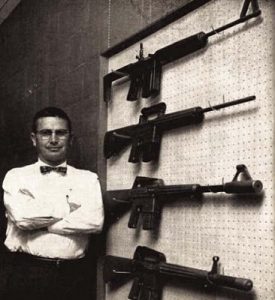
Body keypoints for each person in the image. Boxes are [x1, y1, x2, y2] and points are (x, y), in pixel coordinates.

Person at [1, 107, 104, 300]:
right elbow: (23, 219)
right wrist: (68, 208)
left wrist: (43, 226)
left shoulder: (88, 179)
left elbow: (94, 221)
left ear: (70, 139)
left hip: (75, 277)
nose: (54, 140)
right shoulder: (16, 176)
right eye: (46, 133)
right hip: (28, 275)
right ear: (34, 139)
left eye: (61, 133)